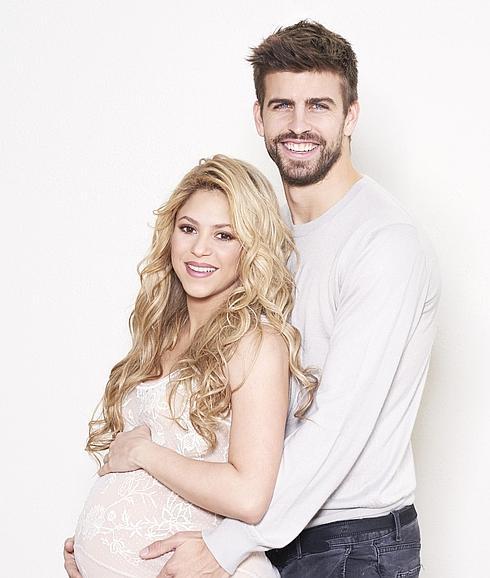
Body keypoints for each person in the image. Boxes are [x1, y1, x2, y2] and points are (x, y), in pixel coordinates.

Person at [122, 20, 440, 578]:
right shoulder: (267, 239)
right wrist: (121, 536)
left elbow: (336, 428)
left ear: (351, 116)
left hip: (351, 543)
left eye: (319, 105)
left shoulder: (382, 242)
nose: (298, 125)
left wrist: (224, 547)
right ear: (259, 117)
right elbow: (226, 407)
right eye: (282, 106)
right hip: (275, 535)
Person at [63, 154, 318, 578]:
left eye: (224, 235)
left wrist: (142, 452)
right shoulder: (160, 333)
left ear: (251, 248)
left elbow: (249, 495)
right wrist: (94, 552)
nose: (200, 249)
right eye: (188, 228)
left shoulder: (255, 344)